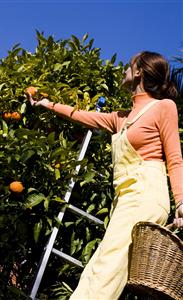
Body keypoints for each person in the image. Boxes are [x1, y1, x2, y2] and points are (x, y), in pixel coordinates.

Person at [27, 51, 183, 300]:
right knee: (104, 264)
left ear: (140, 72)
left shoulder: (163, 107)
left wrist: (181, 202)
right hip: (125, 199)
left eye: (128, 66)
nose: (124, 70)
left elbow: (174, 159)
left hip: (145, 194)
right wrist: (45, 104)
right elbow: (79, 115)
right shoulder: (121, 118)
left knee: (106, 268)